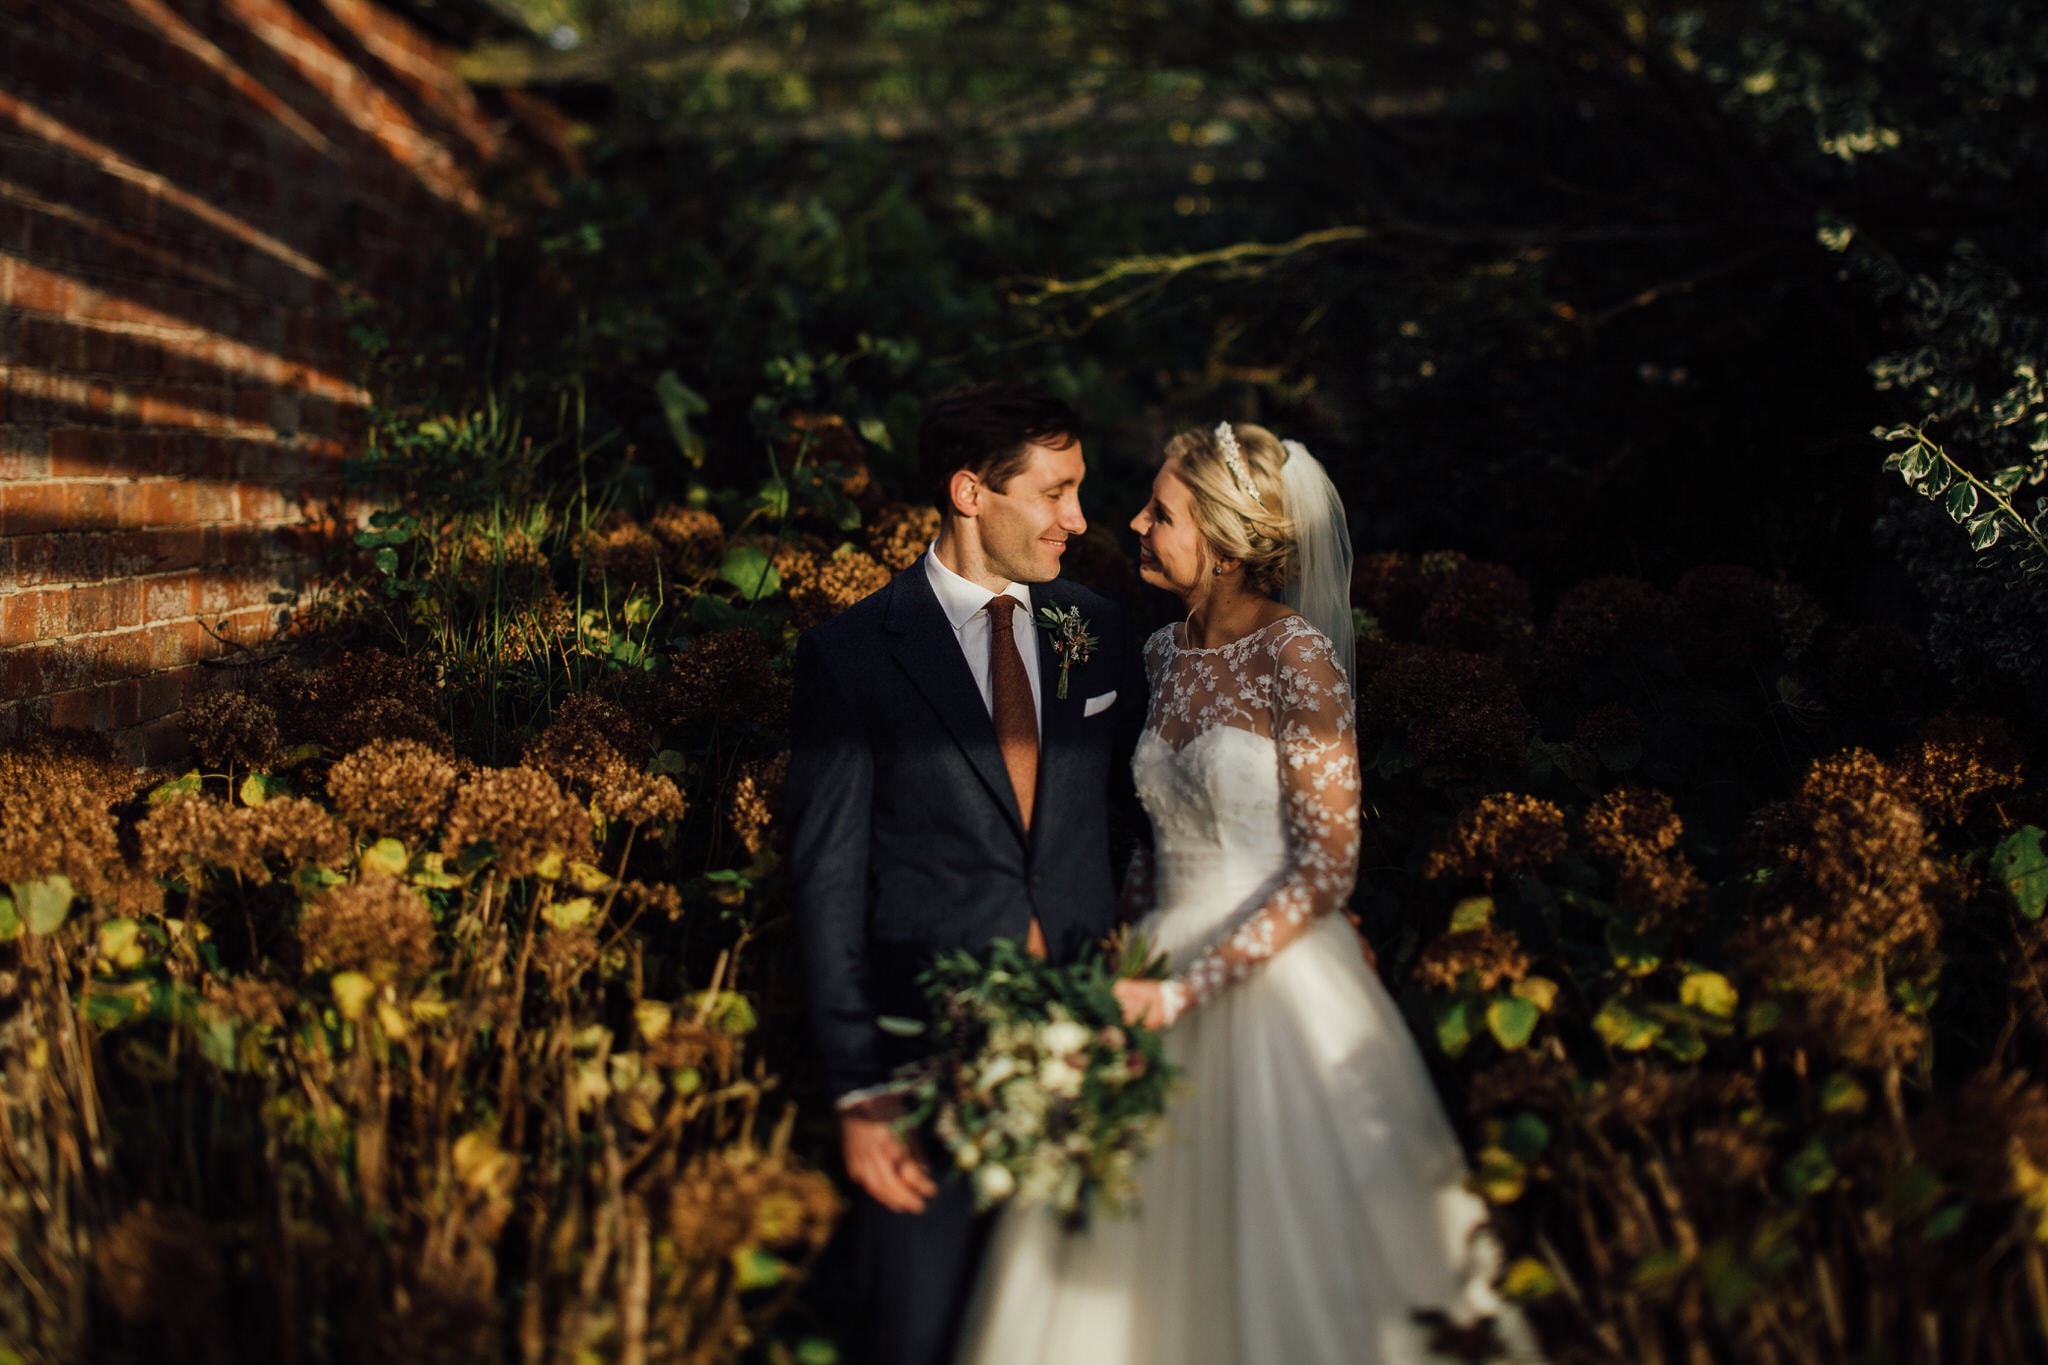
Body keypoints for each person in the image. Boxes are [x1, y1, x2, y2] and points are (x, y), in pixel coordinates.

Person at [957, 422, 1539, 1364]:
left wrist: (1182, 989)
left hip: (1273, 985)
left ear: (1224, 548)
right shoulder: (1161, 655)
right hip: (1154, 976)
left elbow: (1325, 866)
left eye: (1163, 513)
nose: (1136, 523)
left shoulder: (1296, 658)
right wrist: (1125, 956)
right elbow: (1157, 834)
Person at [786, 382, 1149, 1365]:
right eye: (1055, 493)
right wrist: (859, 1090)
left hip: (1088, 1068)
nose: (1078, 520)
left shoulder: (1094, 632)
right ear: (968, 492)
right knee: (921, 1335)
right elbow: (824, 883)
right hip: (922, 1073)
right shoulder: (851, 656)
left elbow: (1137, 821)